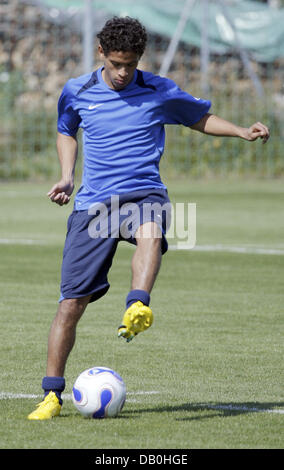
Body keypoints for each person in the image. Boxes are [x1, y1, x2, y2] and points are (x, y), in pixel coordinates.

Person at [27, 16, 269, 420]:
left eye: (131, 64)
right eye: (117, 63)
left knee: (150, 226)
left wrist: (242, 131)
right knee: (70, 304)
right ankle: (51, 394)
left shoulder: (158, 90)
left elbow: (197, 118)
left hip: (143, 191)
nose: (123, 72)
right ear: (101, 53)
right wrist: (67, 175)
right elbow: (66, 129)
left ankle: (138, 305)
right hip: (95, 204)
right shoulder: (77, 90)